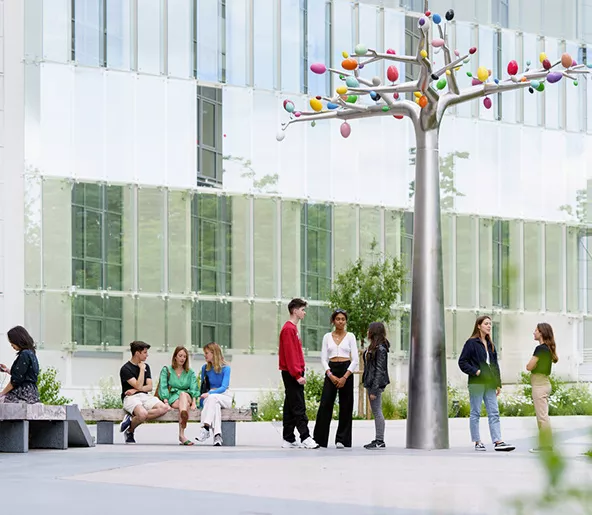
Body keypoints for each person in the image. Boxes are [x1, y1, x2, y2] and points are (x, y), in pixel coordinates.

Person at [458, 315, 514, 452]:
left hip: (490, 383)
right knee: (475, 412)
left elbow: (494, 365)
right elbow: (462, 362)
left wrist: (498, 383)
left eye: (490, 324)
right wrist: (476, 372)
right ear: (479, 326)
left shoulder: (490, 344)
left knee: (494, 412)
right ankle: (477, 441)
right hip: (476, 383)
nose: (489, 326)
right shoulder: (471, 343)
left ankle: (498, 441)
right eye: (486, 324)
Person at [313, 309, 359, 448]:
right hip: (331, 369)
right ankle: (320, 439)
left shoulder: (350, 336)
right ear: (333, 321)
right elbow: (323, 358)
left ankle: (342, 439)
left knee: (346, 405)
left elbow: (355, 359)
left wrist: (345, 376)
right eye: (338, 319)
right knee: (325, 404)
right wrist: (330, 374)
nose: (340, 321)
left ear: (346, 321)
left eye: (343, 319)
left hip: (346, 370)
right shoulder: (327, 336)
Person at [278, 298, 319, 449]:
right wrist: (297, 375)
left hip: (292, 372)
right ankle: (305, 437)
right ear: (295, 311)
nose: (304, 312)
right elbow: (290, 354)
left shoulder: (292, 328)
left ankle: (288, 438)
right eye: (302, 309)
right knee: (298, 406)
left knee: (290, 406)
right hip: (291, 373)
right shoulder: (289, 329)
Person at [119, 341, 170, 444]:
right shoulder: (125, 369)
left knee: (164, 408)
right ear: (137, 353)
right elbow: (139, 385)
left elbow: (150, 387)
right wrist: (141, 370)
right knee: (142, 414)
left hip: (144, 396)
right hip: (130, 398)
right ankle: (130, 431)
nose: (147, 355)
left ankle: (131, 419)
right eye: (145, 352)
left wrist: (136, 389)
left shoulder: (147, 366)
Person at [526, 323, 558, 453]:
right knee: (543, 416)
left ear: (542, 333)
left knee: (542, 417)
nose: (534, 332)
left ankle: (546, 446)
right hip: (544, 383)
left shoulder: (540, 349)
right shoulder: (548, 348)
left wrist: (532, 365)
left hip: (539, 385)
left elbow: (529, 366)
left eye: (536, 330)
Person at [157, 346, 199, 445]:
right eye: (180, 356)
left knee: (183, 395)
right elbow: (163, 386)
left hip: (187, 396)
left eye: (184, 356)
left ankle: (183, 416)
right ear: (175, 357)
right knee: (184, 405)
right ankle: (182, 434)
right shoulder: (167, 370)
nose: (182, 358)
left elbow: (194, 388)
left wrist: (193, 403)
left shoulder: (190, 372)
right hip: (173, 397)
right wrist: (166, 402)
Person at [195, 342, 232, 447]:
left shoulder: (226, 368)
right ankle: (217, 436)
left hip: (224, 396)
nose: (205, 355)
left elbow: (224, 387)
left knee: (213, 398)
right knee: (214, 405)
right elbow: (203, 387)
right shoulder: (205, 369)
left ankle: (205, 427)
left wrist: (210, 393)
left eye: (207, 353)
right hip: (210, 398)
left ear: (214, 353)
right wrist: (202, 402)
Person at [362, 322, 390, 450]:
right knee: (376, 411)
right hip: (371, 382)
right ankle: (378, 438)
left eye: (369, 330)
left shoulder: (380, 349)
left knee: (377, 411)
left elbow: (379, 370)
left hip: (375, 384)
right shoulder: (375, 347)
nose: (367, 332)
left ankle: (380, 440)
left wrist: (374, 389)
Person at [0, 326, 40, 404]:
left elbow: (15, 380)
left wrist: (1, 393)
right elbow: (24, 374)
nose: (11, 345)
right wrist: (7, 370)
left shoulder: (24, 354)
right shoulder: (31, 353)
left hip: (23, 393)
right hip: (32, 393)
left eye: (12, 342)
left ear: (18, 340)